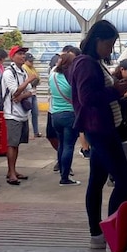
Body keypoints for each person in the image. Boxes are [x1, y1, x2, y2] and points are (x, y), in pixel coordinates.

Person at [69, 20, 127, 249]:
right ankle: (111, 231)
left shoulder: (90, 62)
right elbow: (88, 98)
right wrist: (115, 90)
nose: (111, 49)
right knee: (124, 182)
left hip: (100, 128)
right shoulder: (86, 63)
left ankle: (97, 233)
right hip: (102, 130)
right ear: (97, 40)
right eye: (109, 44)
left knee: (97, 181)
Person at [3, 45, 36, 184]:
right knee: (12, 144)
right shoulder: (8, 73)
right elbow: (14, 92)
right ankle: (11, 173)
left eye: (24, 54)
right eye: (20, 54)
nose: (23, 56)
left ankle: (13, 170)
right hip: (12, 114)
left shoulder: (22, 71)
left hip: (22, 113)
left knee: (17, 144)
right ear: (12, 56)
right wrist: (28, 81)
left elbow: (31, 91)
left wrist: (22, 95)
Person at [49, 51, 81, 185]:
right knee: (68, 146)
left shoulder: (53, 76)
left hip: (55, 115)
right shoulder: (71, 78)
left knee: (61, 144)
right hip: (70, 115)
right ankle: (65, 177)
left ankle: (62, 172)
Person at [22, 52, 43, 137]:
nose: (31, 62)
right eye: (30, 61)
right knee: (27, 112)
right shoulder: (24, 68)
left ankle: (36, 131)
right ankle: (27, 132)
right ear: (25, 61)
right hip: (27, 93)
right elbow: (27, 81)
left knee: (35, 112)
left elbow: (38, 78)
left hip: (33, 92)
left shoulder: (32, 68)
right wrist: (32, 81)